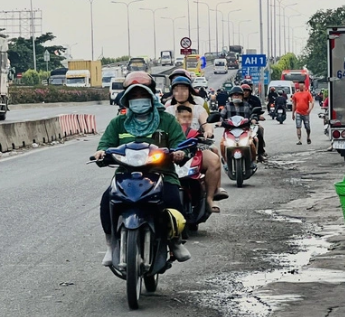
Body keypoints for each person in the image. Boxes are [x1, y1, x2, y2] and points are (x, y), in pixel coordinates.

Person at [94, 71, 191, 266]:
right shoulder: (118, 123)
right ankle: (111, 244)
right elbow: (104, 146)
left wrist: (181, 153)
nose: (139, 101)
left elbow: (182, 145)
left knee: (173, 200)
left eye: (143, 96)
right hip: (125, 174)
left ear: (151, 97)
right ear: (127, 100)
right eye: (134, 97)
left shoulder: (166, 120)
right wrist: (101, 154)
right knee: (107, 201)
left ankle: (175, 241)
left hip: (161, 173)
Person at [166, 76, 228, 213]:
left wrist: (208, 132)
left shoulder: (198, 109)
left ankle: (209, 199)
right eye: (177, 89)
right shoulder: (167, 111)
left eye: (183, 89)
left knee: (214, 161)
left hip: (195, 147)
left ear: (189, 91)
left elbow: (206, 124)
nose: (180, 92)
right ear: (173, 92)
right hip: (172, 149)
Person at [220, 86, 259, 168]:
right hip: (229, 130)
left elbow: (253, 114)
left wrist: (254, 119)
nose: (236, 96)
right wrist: (219, 122)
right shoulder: (227, 106)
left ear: (242, 96)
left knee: (252, 142)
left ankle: (253, 160)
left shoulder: (247, 106)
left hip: (244, 129)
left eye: (239, 95)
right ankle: (225, 161)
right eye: (234, 95)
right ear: (231, 96)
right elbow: (221, 116)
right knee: (222, 143)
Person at [241, 83, 267, 161]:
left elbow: (257, 111)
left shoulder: (254, 100)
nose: (245, 93)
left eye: (246, 91)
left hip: (251, 122)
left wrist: (257, 117)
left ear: (250, 91)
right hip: (238, 124)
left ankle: (260, 153)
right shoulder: (236, 102)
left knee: (260, 130)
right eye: (243, 91)